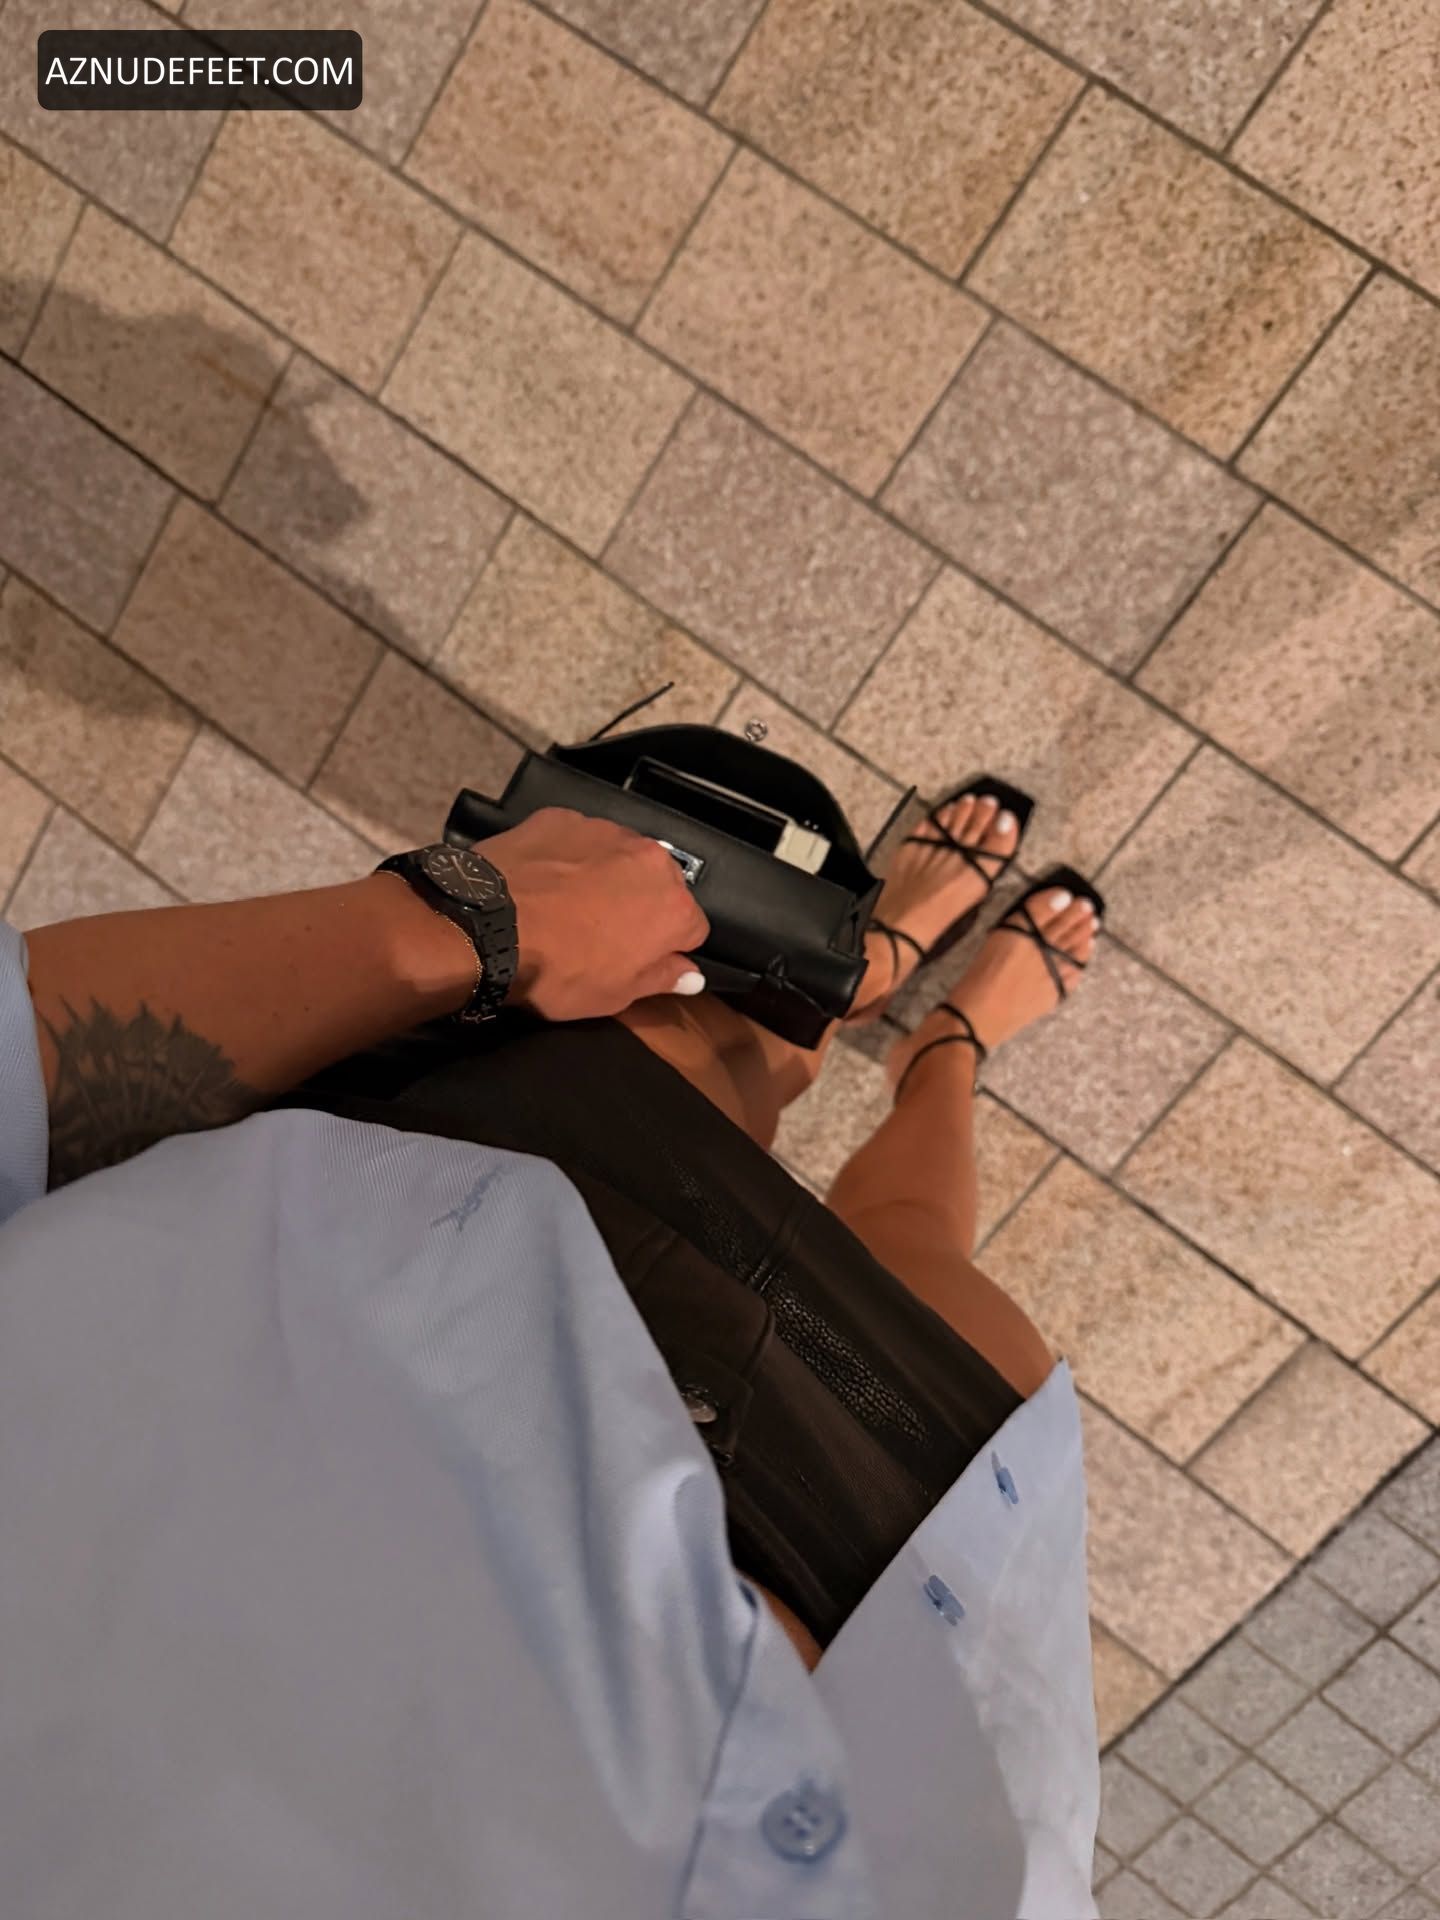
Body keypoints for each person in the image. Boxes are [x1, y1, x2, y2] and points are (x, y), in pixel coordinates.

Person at [0, 784, 1102, 1919]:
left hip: (408, 1296)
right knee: (921, 1256)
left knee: (706, 1047)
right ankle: (943, 1052)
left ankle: (850, 987)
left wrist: (469, 921)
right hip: (925, 1697)